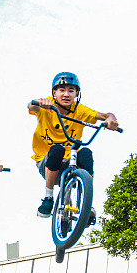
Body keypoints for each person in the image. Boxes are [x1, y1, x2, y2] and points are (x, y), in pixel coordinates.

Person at [29, 73, 119, 217]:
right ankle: (48, 197)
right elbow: (31, 106)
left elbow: (105, 115)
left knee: (86, 153)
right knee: (57, 150)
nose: (66, 94)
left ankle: (86, 204)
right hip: (47, 162)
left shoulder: (79, 110)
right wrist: (38, 102)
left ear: (77, 94)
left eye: (71, 90)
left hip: (71, 160)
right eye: (62, 90)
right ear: (54, 93)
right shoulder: (47, 105)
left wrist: (111, 119)